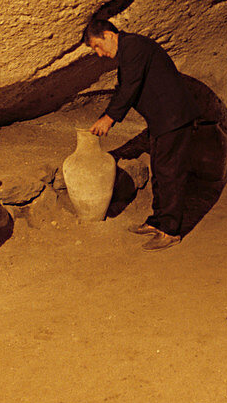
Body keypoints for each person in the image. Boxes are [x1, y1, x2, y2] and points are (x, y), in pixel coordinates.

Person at [83, 18, 200, 250]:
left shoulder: (134, 46)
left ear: (108, 34)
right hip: (162, 120)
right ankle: (158, 221)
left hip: (174, 118)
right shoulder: (129, 51)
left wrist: (109, 118)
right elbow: (124, 87)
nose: (99, 53)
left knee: (170, 173)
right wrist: (106, 114)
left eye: (97, 45)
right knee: (160, 171)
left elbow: (130, 88)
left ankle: (170, 231)